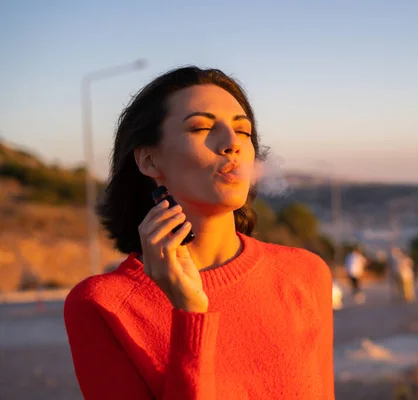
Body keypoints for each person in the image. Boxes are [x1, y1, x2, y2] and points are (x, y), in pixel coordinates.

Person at [63, 67, 334, 400]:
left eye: (243, 131)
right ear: (149, 159)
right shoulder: (101, 305)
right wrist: (189, 314)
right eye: (201, 127)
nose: (232, 143)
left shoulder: (305, 274)